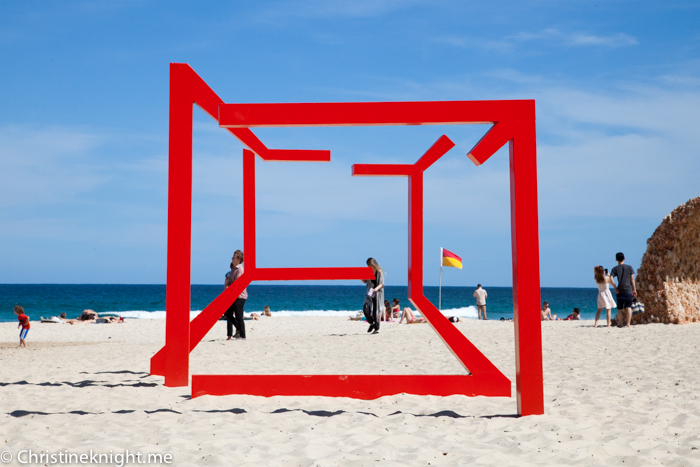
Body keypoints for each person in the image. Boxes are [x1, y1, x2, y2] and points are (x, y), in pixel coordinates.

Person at [224, 250, 248, 340]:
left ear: (238, 259)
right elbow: (231, 282)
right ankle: (238, 328)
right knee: (227, 312)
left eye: (233, 257)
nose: (232, 258)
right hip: (233, 295)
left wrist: (229, 287)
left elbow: (237, 285)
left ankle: (242, 335)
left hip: (240, 296)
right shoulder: (233, 268)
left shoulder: (240, 269)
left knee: (239, 316)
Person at [610, 252, 637, 328]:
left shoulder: (615, 269)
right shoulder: (629, 267)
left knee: (620, 309)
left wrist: (615, 287)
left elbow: (611, 278)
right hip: (628, 290)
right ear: (624, 258)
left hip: (620, 290)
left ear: (616, 260)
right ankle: (628, 324)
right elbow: (632, 279)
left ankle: (621, 324)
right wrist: (634, 289)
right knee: (628, 307)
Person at [365, 258, 385, 333]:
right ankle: (372, 324)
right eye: (368, 265)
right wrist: (360, 277)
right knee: (366, 309)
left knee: (376, 312)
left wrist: (375, 289)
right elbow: (365, 281)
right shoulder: (368, 271)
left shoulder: (379, 272)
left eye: (370, 265)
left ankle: (376, 329)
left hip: (378, 294)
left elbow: (382, 284)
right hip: (370, 294)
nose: (369, 267)